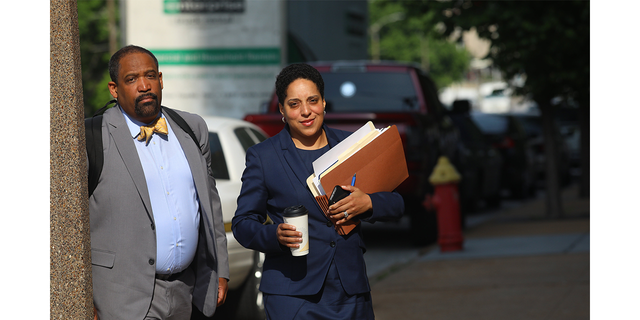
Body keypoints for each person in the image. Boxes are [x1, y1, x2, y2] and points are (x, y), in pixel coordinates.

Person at [232, 63, 404, 319]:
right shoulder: (263, 157)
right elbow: (243, 224)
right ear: (281, 109)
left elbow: (397, 203)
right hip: (292, 296)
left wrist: (367, 203)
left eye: (313, 100)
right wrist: (275, 235)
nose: (305, 111)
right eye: (294, 104)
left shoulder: (352, 145)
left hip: (350, 292)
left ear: (324, 102)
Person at [88, 45, 229, 320]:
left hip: (185, 292)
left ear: (161, 80)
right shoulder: (92, 136)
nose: (144, 85)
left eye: (150, 76)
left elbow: (210, 205)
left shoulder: (192, 128)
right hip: (121, 298)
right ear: (114, 89)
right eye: (131, 79)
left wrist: (220, 268)